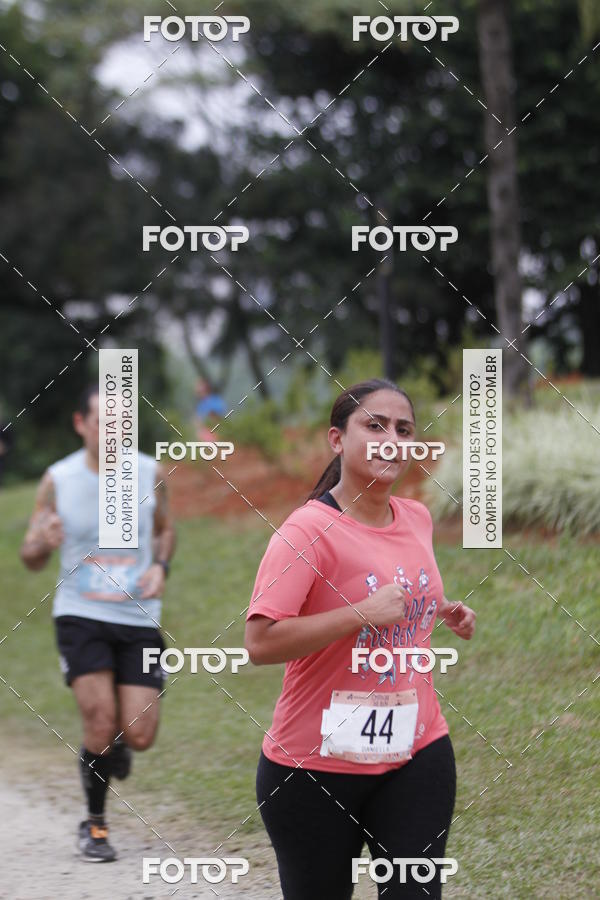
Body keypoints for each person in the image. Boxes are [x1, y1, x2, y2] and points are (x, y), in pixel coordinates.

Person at [245, 379, 476, 899]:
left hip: (418, 749)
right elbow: (260, 642)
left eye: (404, 430)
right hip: (314, 767)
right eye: (374, 426)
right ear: (336, 439)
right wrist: (359, 614)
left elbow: (398, 585)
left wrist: (440, 610)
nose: (391, 439)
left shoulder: (415, 517)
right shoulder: (306, 532)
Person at [20, 384, 176, 862]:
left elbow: (165, 530)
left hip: (138, 615)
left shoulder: (150, 472)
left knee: (140, 734)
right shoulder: (57, 480)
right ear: (80, 424)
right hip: (80, 613)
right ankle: (96, 825)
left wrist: (160, 567)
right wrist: (43, 543)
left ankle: (116, 745)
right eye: (102, 422)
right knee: (99, 719)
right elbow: (30, 556)